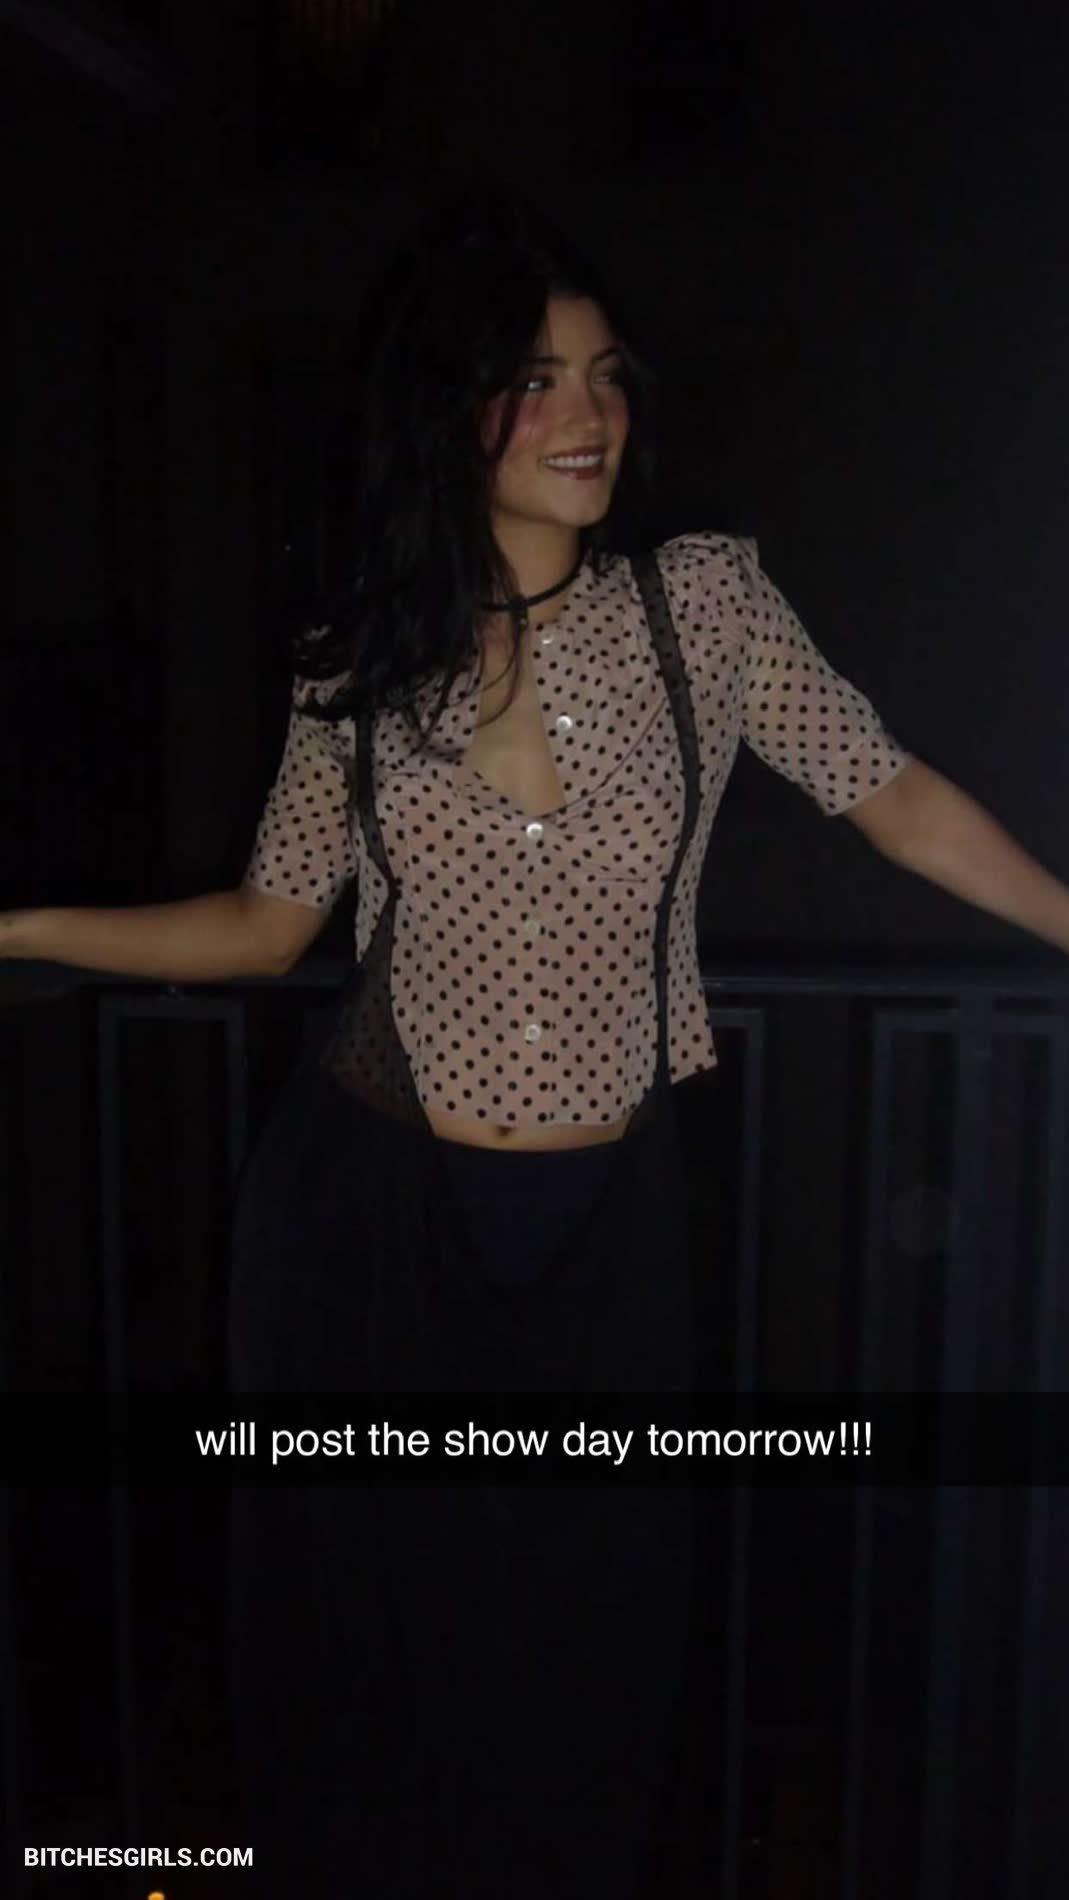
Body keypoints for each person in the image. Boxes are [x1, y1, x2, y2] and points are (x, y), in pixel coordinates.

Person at [5, 184, 1069, 1898]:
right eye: (534, 379)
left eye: (602, 374)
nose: (588, 414)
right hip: (367, 1226)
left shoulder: (703, 608)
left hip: (603, 1227)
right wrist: (21, 928)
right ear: (449, 415)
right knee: (361, 1657)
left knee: (585, 1652)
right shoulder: (360, 656)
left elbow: (899, 804)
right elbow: (266, 927)